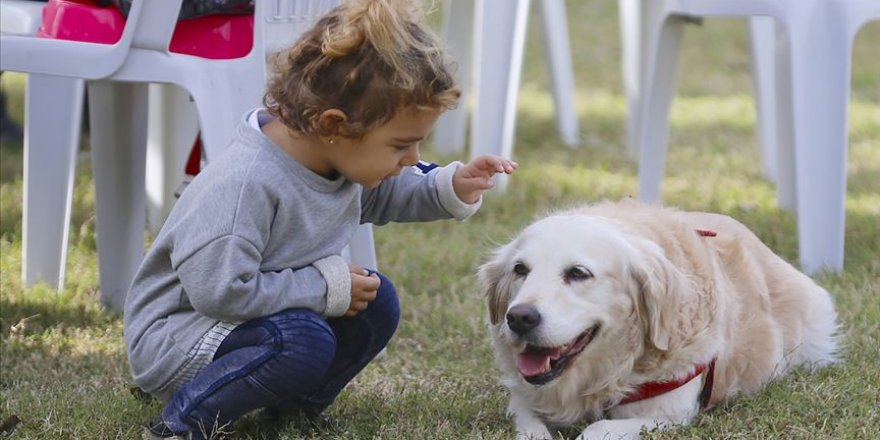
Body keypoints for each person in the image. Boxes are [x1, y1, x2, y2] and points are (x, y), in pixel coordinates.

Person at [124, 0, 518, 438]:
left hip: (254, 322)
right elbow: (221, 292)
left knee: (375, 301)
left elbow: (383, 193)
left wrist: (450, 186)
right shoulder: (245, 185)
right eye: (400, 146)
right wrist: (324, 287)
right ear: (334, 124)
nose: (413, 159)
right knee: (303, 339)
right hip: (184, 339)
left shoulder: (333, 158)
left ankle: (294, 408)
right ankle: (183, 422)